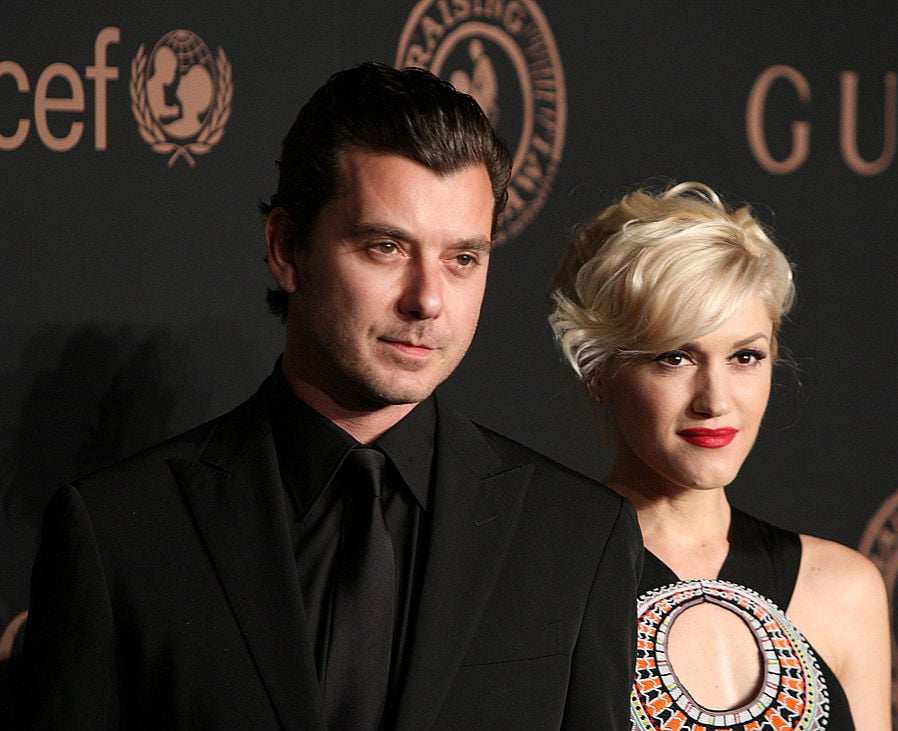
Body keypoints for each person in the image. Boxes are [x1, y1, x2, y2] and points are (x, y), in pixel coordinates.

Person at [21, 62, 642, 729]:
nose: (428, 300)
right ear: (287, 249)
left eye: (462, 258)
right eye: (386, 247)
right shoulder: (119, 532)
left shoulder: (576, 536)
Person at [548, 182, 891, 730]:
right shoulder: (540, 580)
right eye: (675, 357)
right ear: (599, 372)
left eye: (745, 357)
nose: (715, 401)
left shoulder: (843, 589)